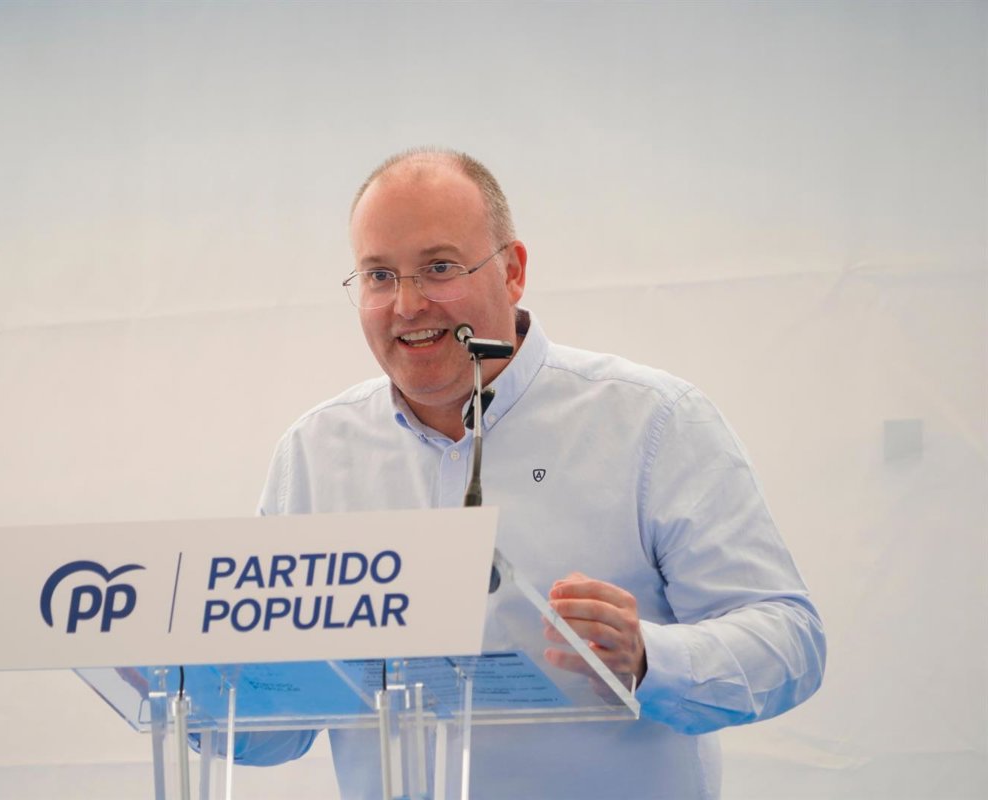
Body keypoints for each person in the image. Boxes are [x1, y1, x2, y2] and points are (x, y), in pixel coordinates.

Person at [251, 148, 826, 799]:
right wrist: (195, 685)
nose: (407, 304)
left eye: (439, 268)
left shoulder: (652, 422)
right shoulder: (314, 455)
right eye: (379, 276)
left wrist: (648, 658)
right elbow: (274, 732)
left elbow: (790, 642)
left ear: (513, 271)